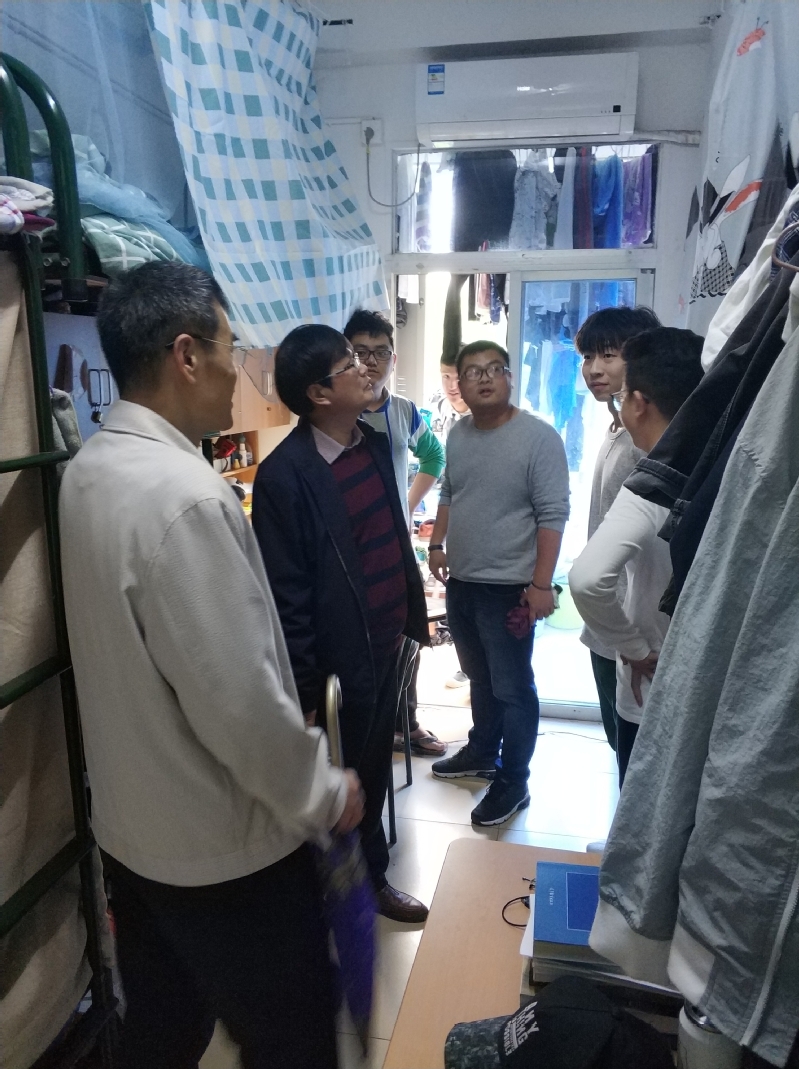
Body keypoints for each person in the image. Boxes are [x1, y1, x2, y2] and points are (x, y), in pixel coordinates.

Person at [59, 262, 363, 1069]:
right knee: (294, 1037)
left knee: (161, 1031)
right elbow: (239, 702)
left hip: (135, 835)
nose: (242, 371)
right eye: (232, 349)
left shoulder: (91, 468)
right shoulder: (185, 496)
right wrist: (323, 790)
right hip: (224, 853)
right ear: (187, 354)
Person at [251, 324, 431, 923]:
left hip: (387, 643)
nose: (365, 368)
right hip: (337, 665)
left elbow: (390, 537)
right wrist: (305, 692)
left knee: (372, 768)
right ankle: (333, 896)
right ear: (319, 393)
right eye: (350, 362)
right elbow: (287, 597)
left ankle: (367, 881)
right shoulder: (285, 477)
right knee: (338, 780)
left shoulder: (371, 443)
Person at [428, 341, 570, 826]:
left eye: (494, 369)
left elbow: (553, 514)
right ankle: (483, 751)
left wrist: (541, 586)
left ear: (510, 377)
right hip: (463, 582)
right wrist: (437, 544)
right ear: (459, 384)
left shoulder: (538, 438)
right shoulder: (458, 434)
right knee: (480, 678)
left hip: (509, 589)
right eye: (473, 372)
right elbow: (450, 491)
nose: (484, 378)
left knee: (512, 688)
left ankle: (514, 781)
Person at [570, 327, 704, 785]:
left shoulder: (650, 483)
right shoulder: (724, 468)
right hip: (710, 679)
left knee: (638, 795)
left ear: (639, 402)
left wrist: (633, 649)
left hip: (653, 673)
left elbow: (587, 580)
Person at [343, 309, 447, 758]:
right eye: (360, 352)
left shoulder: (403, 411)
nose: (371, 361)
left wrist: (405, 503)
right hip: (349, 550)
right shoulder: (335, 410)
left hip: (396, 547)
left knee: (407, 637)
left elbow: (435, 457)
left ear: (393, 359)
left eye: (380, 352)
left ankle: (406, 721)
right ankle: (365, 727)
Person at [574, 306, 661, 755]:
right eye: (588, 357)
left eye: (608, 355)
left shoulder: (648, 440)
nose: (594, 369)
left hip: (631, 626)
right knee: (619, 741)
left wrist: (632, 641)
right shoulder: (617, 428)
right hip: (607, 623)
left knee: (635, 749)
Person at [428, 353, 471, 689]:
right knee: (459, 614)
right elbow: (448, 487)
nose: (452, 385)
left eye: (459, 376)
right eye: (445, 376)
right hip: (455, 536)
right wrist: (436, 542)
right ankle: (467, 666)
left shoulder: (484, 421)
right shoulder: (445, 415)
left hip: (486, 549)